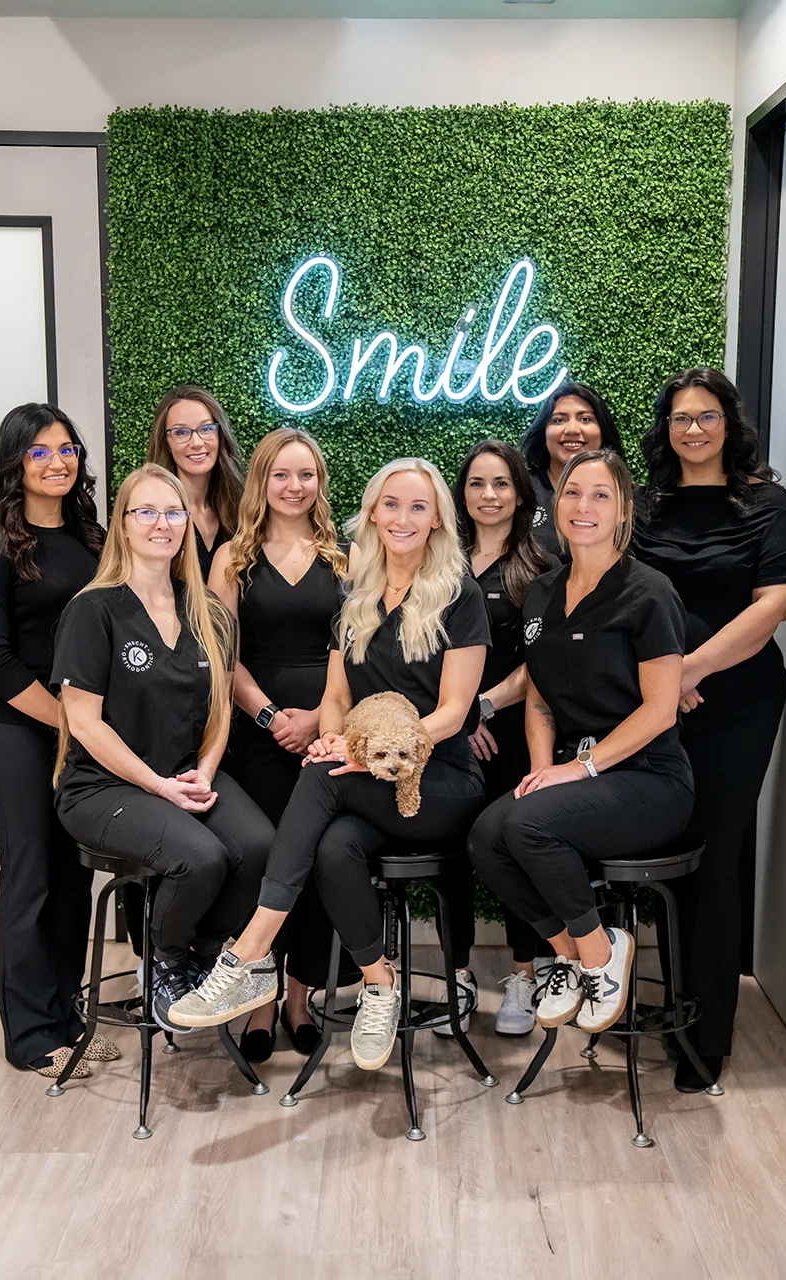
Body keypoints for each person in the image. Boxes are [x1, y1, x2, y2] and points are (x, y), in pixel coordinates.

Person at [168, 458, 491, 1076]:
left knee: (317, 776)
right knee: (332, 847)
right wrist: (332, 737)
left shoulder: (459, 594)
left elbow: (453, 713)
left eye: (419, 507)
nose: (403, 518)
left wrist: (355, 749)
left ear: (438, 522)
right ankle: (378, 983)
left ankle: (250, 952)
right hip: (370, 784)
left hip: (438, 783)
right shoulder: (357, 592)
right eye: (391, 504)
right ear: (372, 512)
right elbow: (337, 698)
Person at [468, 448, 694, 1036]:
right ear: (555, 503)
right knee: (487, 836)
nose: (583, 506)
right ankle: (570, 950)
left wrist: (580, 769)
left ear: (623, 511)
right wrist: (541, 771)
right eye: (573, 493)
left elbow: (660, 709)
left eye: (600, 495)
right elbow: (540, 697)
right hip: (576, 774)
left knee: (526, 826)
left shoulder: (649, 592)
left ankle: (600, 952)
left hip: (649, 779)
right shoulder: (543, 591)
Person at [50, 463, 273, 1034]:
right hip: (103, 787)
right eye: (146, 511)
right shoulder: (93, 609)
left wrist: (201, 772)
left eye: (173, 512)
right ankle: (166, 964)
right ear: (122, 524)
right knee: (201, 858)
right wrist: (159, 787)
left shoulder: (208, 612)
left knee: (259, 846)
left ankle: (198, 956)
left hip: (184, 773)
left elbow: (220, 709)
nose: (161, 523)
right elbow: (84, 723)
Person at [634, 368, 786, 1091]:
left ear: (730, 425)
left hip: (737, 703)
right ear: (665, 428)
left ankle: (706, 1038)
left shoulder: (767, 501)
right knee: (671, 849)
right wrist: (663, 685)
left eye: (707, 417)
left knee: (717, 853)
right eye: (680, 418)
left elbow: (781, 601)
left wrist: (692, 670)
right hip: (653, 707)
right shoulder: (645, 505)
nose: (693, 429)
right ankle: (673, 1007)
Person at [0, 402, 110, 1079]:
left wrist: (91, 726)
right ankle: (29, 1032)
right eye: (40, 451)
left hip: (84, 729)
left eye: (67, 448)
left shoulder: (96, 539)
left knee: (74, 873)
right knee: (29, 876)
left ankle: (67, 1012)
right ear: (15, 463)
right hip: (21, 726)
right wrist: (71, 722)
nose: (58, 461)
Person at [209, 426, 352, 1062]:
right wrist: (272, 718)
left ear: (320, 482)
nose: (295, 487)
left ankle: (301, 1001)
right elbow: (222, 655)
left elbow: (355, 650)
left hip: (329, 737)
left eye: (307, 475)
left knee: (318, 862)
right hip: (258, 737)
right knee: (268, 863)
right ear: (261, 482)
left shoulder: (345, 556)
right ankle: (259, 1004)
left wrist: (322, 719)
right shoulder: (231, 558)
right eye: (281, 475)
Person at [452, 440, 558, 1037]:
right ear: (461, 494)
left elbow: (541, 661)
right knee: (451, 850)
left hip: (513, 734)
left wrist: (484, 708)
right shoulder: (440, 560)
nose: (488, 496)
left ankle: (524, 972)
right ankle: (458, 975)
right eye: (476, 484)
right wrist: (456, 720)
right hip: (446, 735)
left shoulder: (540, 567)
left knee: (514, 848)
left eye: (501, 485)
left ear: (521, 494)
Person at [145, 385, 245, 580]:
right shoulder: (151, 515)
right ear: (166, 441)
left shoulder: (240, 509)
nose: (197, 442)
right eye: (181, 432)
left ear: (220, 434)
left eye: (206, 429)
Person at [519, 381, 625, 558]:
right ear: (544, 435)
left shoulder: (624, 494)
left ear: (602, 432)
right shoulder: (523, 492)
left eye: (585, 419)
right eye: (559, 420)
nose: (572, 430)